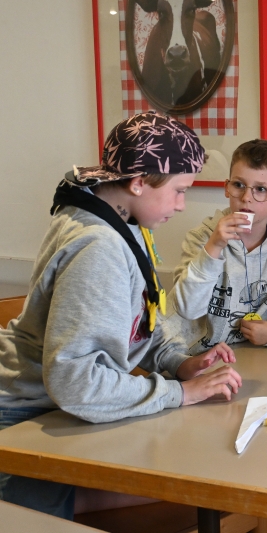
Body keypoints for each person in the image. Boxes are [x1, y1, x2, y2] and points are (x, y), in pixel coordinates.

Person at [0, 112, 243, 519]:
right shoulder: (98, 247)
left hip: (54, 406)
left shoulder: (119, 218)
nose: (182, 205)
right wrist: (180, 394)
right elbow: (75, 382)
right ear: (138, 182)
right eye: (179, 191)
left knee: (193, 474)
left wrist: (177, 363)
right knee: (194, 479)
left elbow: (138, 318)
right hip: (26, 418)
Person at [167, 139, 267, 353]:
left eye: (261, 189)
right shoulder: (201, 238)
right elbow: (186, 308)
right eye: (239, 185)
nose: (246, 198)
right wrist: (213, 247)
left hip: (250, 356)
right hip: (193, 357)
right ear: (227, 187)